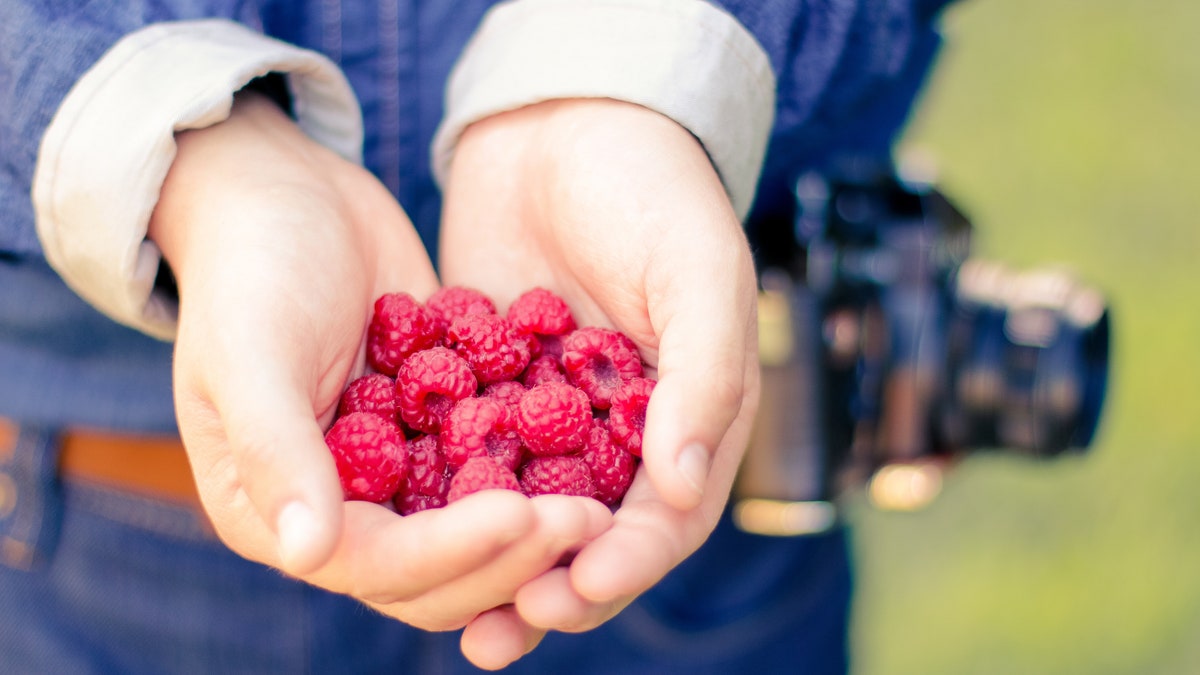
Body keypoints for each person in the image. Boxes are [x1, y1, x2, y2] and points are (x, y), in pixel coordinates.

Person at [0, 0, 955, 672]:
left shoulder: (519, 394)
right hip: (88, 533)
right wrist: (182, 152)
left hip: (704, 542)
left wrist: (638, 70)